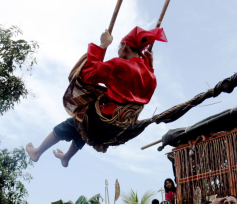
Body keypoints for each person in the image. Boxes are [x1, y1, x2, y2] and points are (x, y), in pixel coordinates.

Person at [26, 26, 167, 166]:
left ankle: (37, 152)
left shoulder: (119, 65)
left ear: (125, 46)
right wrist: (149, 65)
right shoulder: (151, 77)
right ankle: (66, 157)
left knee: (76, 120)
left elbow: (88, 75)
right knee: (82, 125)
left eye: (119, 45)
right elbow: (142, 82)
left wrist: (102, 46)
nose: (118, 49)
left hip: (103, 123)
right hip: (122, 127)